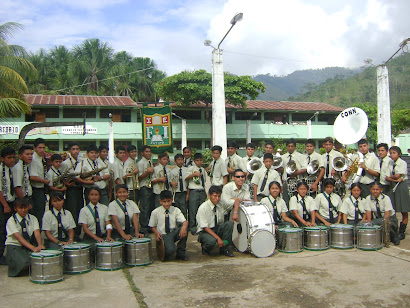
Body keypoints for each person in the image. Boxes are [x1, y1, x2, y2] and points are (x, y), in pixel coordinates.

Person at [5, 198, 43, 277]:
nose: (23, 210)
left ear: (29, 207)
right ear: (15, 208)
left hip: (27, 245)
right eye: (20, 208)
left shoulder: (33, 218)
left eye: (25, 207)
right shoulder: (11, 220)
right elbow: (19, 238)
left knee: (36, 259)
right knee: (24, 262)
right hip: (14, 246)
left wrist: (40, 245)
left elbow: (37, 233)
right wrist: (33, 248)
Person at [149, 190, 188, 261]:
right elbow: (152, 226)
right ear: (160, 201)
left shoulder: (176, 210)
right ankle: (168, 249)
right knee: (170, 250)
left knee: (184, 230)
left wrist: (184, 227)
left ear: (172, 200)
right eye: (164, 202)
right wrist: (156, 233)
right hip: (163, 235)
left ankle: (181, 253)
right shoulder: (155, 212)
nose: (167, 204)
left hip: (173, 233)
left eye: (168, 201)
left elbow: (184, 221)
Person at [196, 185, 235, 257]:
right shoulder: (203, 207)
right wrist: (218, 239)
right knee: (211, 241)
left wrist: (235, 212)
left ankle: (225, 249)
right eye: (215, 196)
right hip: (206, 231)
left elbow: (233, 203)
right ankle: (205, 248)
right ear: (209, 195)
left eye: (219, 196)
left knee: (229, 224)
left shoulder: (221, 203)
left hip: (217, 228)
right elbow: (205, 227)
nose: (217, 199)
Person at [386, 146, 410, 240]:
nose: (392, 155)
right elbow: (389, 176)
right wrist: (392, 178)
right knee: (393, 208)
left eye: (394, 153)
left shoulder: (402, 163)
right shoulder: (391, 163)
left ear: (399, 154)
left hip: (401, 186)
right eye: (391, 153)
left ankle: (402, 231)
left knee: (403, 209)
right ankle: (394, 230)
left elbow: (397, 176)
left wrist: (390, 178)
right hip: (393, 186)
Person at [60, 142, 83, 235]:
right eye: (73, 149)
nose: (76, 151)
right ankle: (71, 233)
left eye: (77, 149)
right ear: (69, 151)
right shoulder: (65, 163)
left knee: (79, 210)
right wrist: (66, 183)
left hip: (79, 188)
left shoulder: (81, 162)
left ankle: (78, 232)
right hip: (70, 189)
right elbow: (61, 177)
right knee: (72, 210)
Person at [0, 147, 16, 265]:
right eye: (9, 158)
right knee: (1, 230)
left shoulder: (10, 170)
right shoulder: (1, 170)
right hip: (3, 203)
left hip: (10, 201)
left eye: (13, 157)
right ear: (2, 159)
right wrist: (5, 205)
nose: (12, 160)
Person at [29, 138, 50, 224]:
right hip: (36, 189)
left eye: (43, 148)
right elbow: (32, 177)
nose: (42, 150)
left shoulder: (41, 158)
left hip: (41, 189)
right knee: (37, 213)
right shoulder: (34, 159)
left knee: (41, 212)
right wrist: (45, 181)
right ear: (34, 148)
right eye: (40, 148)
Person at [186, 153, 207, 235]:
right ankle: (193, 227)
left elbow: (203, 183)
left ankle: (200, 226)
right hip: (193, 191)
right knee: (193, 210)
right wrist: (194, 174)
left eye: (200, 160)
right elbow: (186, 179)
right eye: (197, 160)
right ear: (194, 161)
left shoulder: (203, 170)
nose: (199, 162)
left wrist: (205, 192)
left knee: (201, 210)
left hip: (201, 191)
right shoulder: (191, 168)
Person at [281, 138, 306, 204]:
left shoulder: (301, 156)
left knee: (297, 200)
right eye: (288, 146)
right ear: (286, 147)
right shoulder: (282, 157)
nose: (290, 148)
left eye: (292, 146)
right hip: (286, 181)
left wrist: (296, 173)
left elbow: (305, 168)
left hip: (297, 181)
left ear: (295, 147)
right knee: (286, 200)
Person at [137, 145, 154, 234]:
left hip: (150, 186)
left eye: (149, 151)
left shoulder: (149, 161)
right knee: (144, 207)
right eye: (146, 152)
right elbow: (139, 177)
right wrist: (147, 171)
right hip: (144, 187)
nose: (148, 153)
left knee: (150, 207)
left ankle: (149, 226)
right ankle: (143, 227)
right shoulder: (141, 163)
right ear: (142, 153)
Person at [169, 154, 188, 218]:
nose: (180, 161)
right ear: (175, 161)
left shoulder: (187, 170)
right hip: (176, 193)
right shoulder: (172, 171)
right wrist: (172, 183)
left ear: (184, 161)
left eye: (181, 160)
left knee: (184, 209)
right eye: (178, 160)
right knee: (176, 210)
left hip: (184, 192)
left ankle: (184, 225)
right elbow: (170, 181)